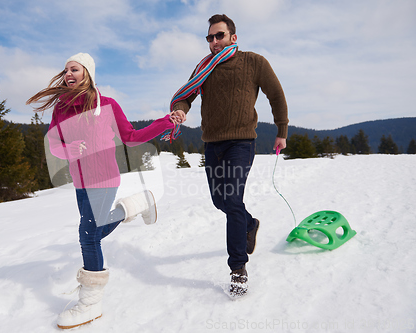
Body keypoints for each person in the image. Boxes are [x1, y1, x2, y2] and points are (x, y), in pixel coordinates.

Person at [26, 53, 178, 329]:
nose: (68, 73)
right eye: (66, 70)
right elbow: (54, 142)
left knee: (88, 236)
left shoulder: (107, 105)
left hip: (106, 178)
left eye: (74, 68)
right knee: (94, 230)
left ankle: (90, 302)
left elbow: (131, 137)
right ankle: (137, 205)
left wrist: (166, 122)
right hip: (80, 181)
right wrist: (69, 150)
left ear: (88, 72)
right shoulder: (61, 107)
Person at [170, 14, 289, 298]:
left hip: (241, 143)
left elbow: (276, 95)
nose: (213, 42)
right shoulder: (203, 67)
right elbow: (186, 94)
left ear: (233, 37)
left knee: (232, 199)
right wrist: (181, 108)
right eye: (209, 37)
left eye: (219, 36)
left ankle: (238, 269)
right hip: (212, 144)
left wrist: (281, 130)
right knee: (220, 200)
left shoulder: (253, 62)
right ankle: (249, 223)